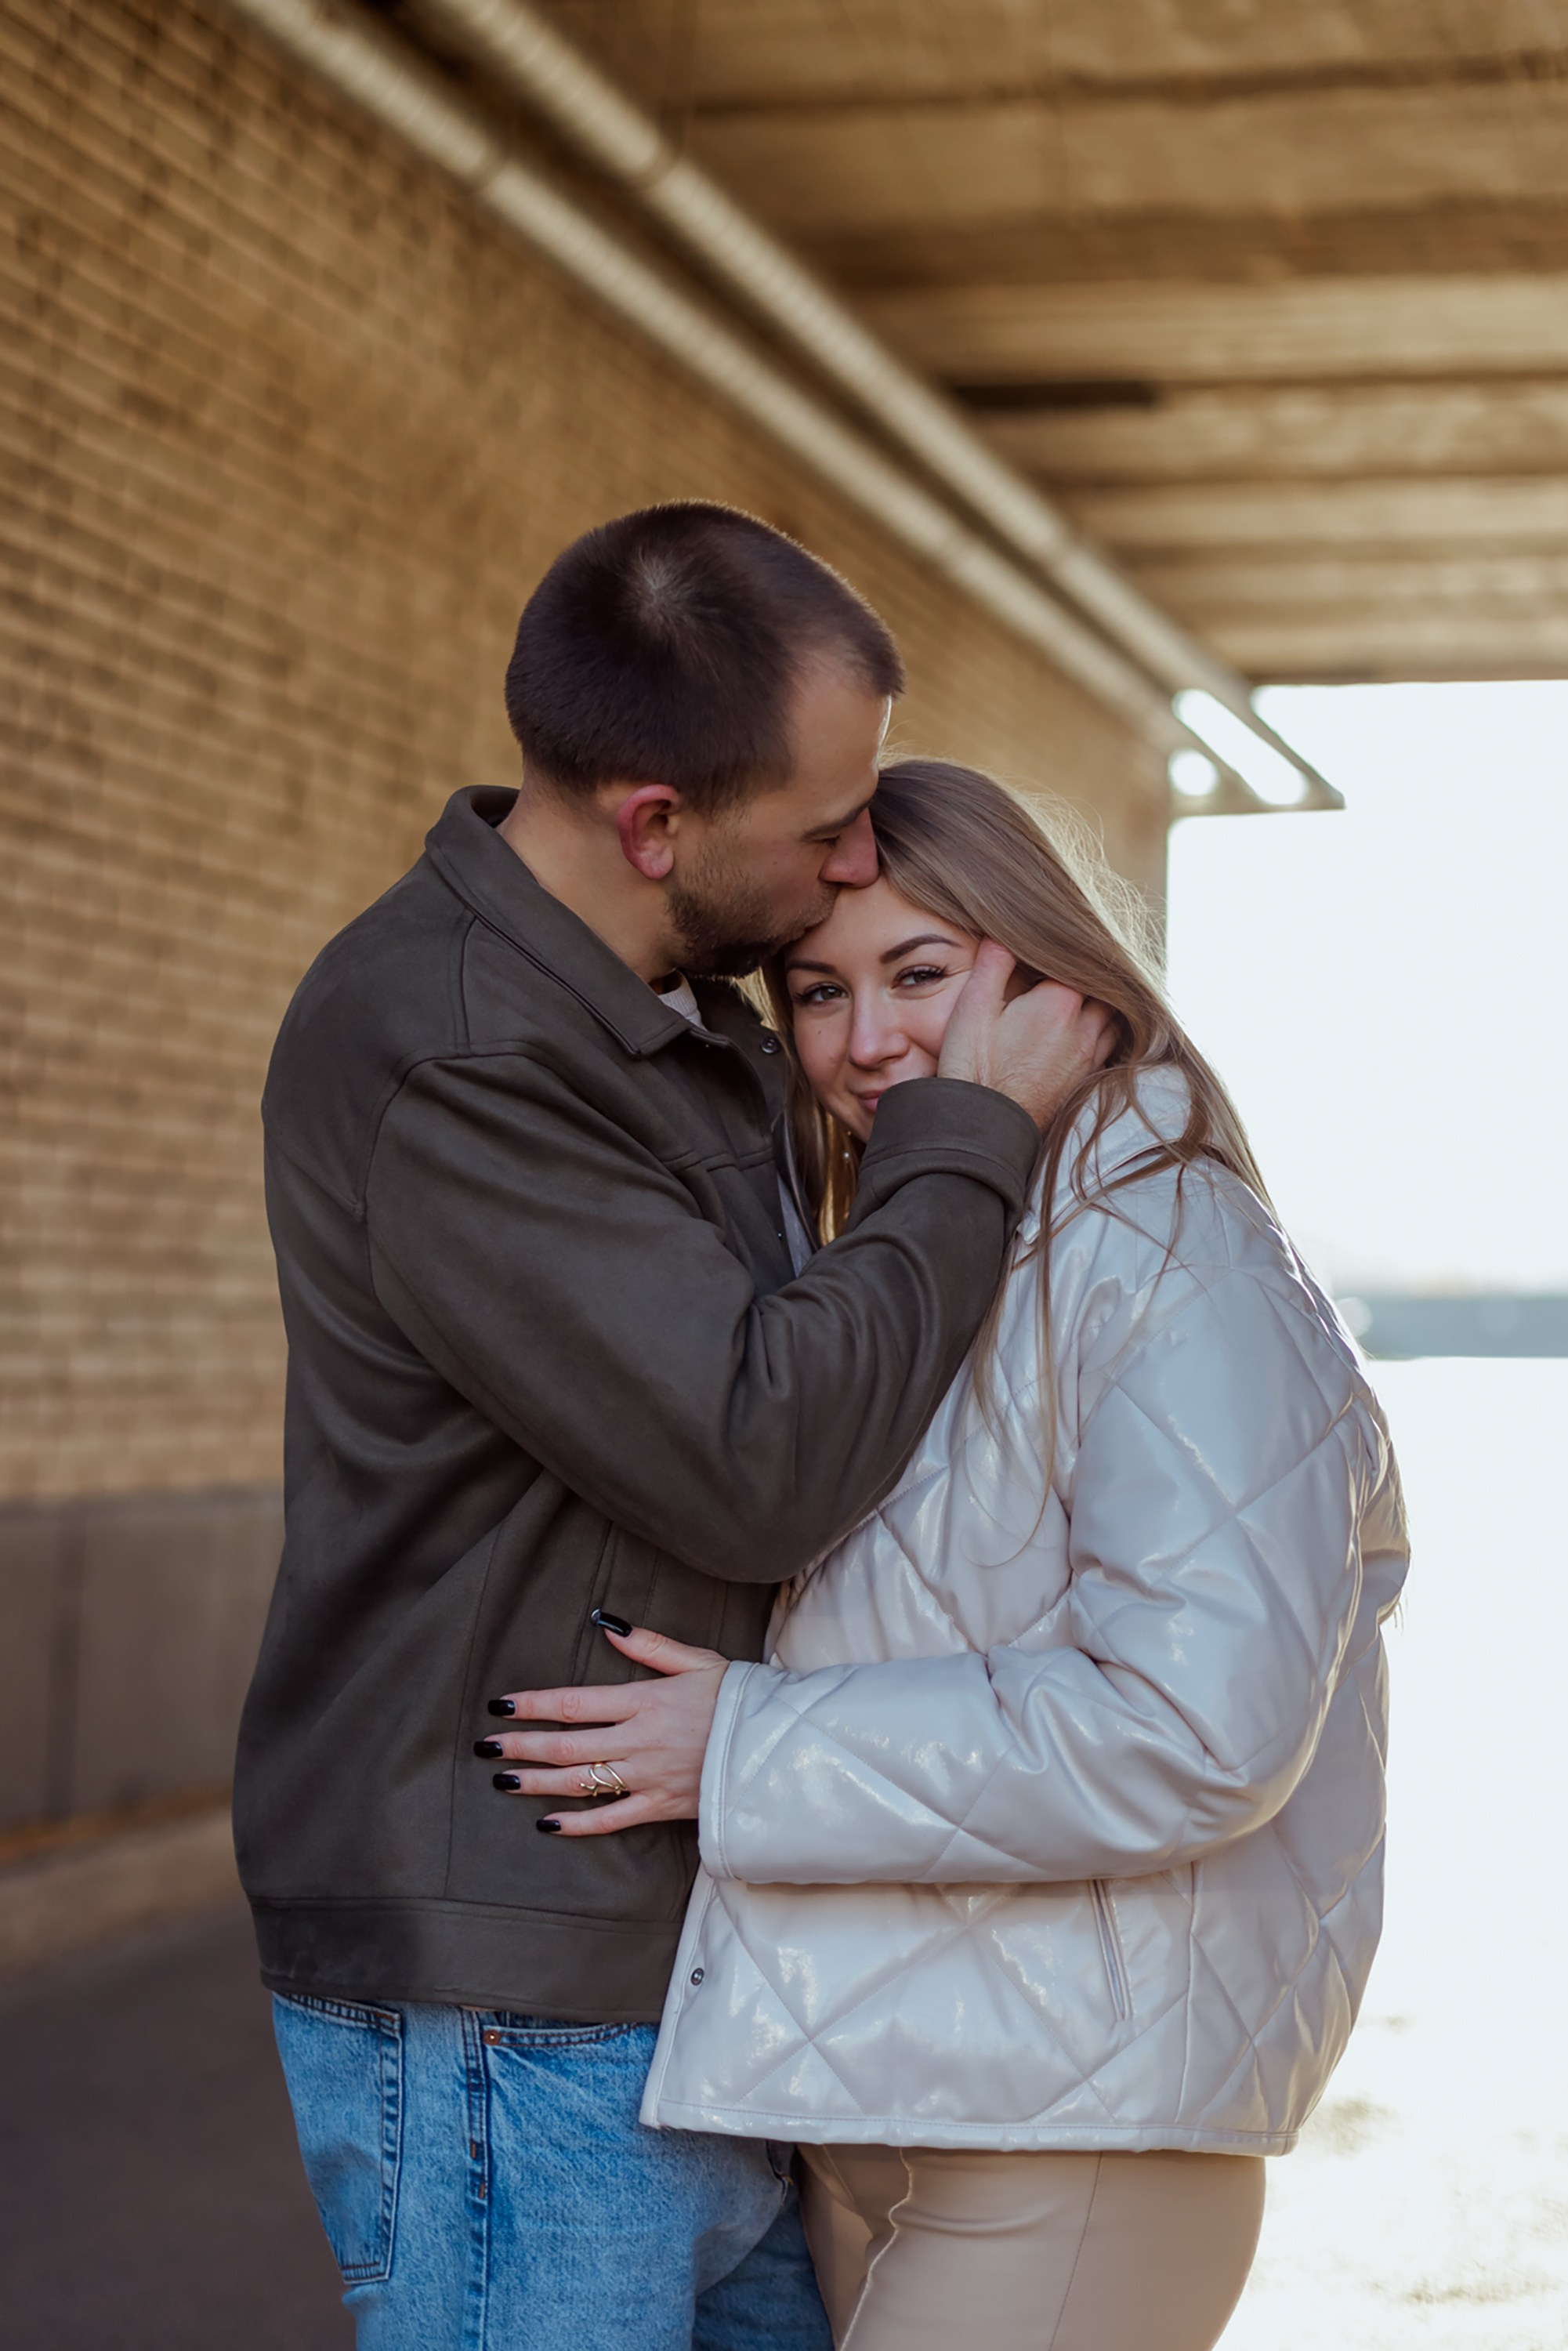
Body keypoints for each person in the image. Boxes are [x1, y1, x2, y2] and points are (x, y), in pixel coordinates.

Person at [238, 513, 1112, 2350]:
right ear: (656, 826)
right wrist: (971, 1139)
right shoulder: (459, 1050)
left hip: (680, 1964)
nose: (857, 853)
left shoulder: (658, 1011)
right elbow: (752, 1449)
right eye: (824, 827)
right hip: (509, 2002)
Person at [490, 759, 1410, 2350]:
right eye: (817, 993)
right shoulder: (961, 1252)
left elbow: (1195, 1731)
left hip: (1079, 2144)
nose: (867, 1043)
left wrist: (746, 1744)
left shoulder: (1169, 1254)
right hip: (908, 2104)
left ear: (1062, 982)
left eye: (921, 974)